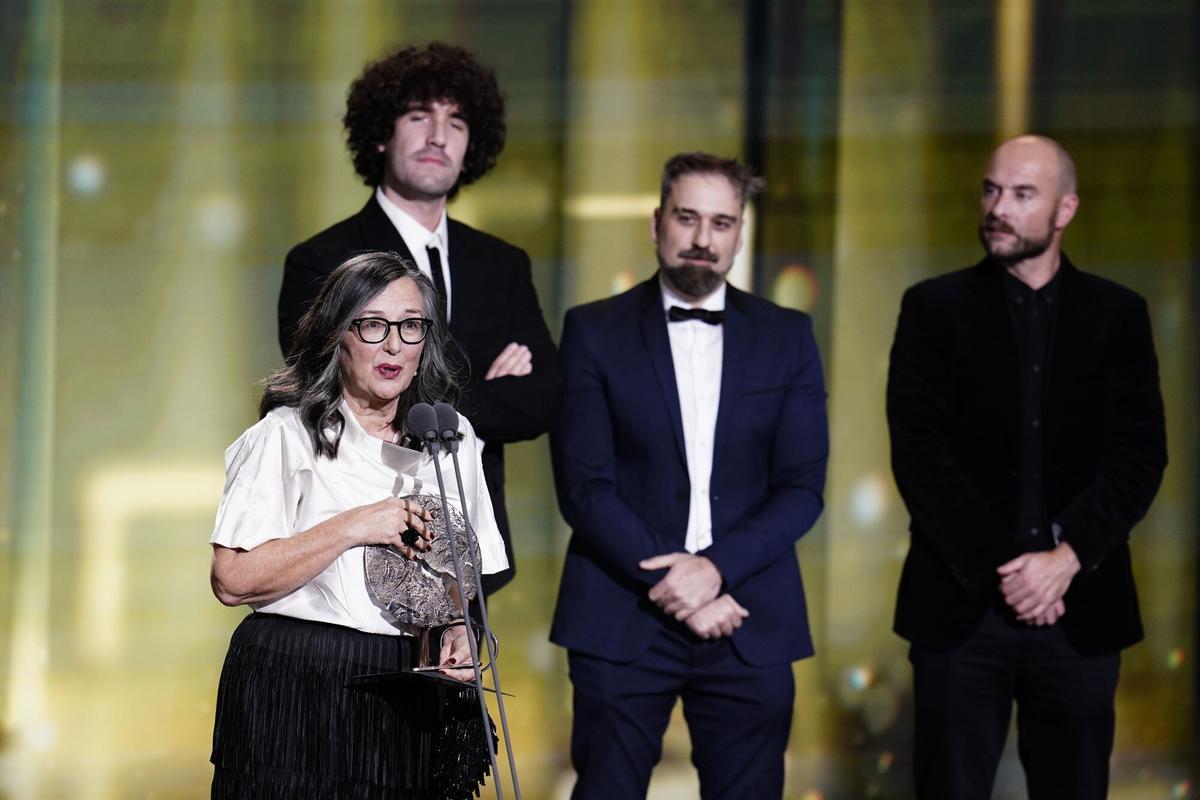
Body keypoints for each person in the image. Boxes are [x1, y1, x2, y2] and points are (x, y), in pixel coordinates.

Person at [886, 135, 1167, 799]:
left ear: (1065, 209)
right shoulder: (931, 308)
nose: (997, 207)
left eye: (1021, 194)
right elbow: (920, 456)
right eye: (991, 190)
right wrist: (1010, 573)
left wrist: (1066, 558)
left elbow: (1140, 454)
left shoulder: (1119, 315)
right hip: (960, 610)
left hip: (1082, 608)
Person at [549, 152, 829, 799]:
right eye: (688, 218)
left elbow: (802, 486)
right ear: (656, 224)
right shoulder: (593, 331)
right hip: (621, 615)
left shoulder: (789, 336)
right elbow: (585, 486)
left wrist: (715, 571)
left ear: (739, 233)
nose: (704, 239)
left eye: (723, 223)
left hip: (748, 617)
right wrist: (683, 581)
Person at [210, 252, 509, 799]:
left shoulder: (451, 436)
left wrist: (455, 632)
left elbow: (459, 584)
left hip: (406, 687)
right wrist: (353, 525)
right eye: (373, 325)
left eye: (411, 326)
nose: (394, 345)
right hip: (295, 682)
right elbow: (232, 579)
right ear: (336, 334)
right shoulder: (286, 435)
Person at [278, 42, 561, 593]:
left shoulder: (504, 264)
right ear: (382, 133)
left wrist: (425, 401)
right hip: (353, 548)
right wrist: (482, 393)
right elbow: (329, 394)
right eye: (419, 117)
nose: (438, 136)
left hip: (471, 554)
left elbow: (547, 396)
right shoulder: (321, 259)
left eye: (456, 122)